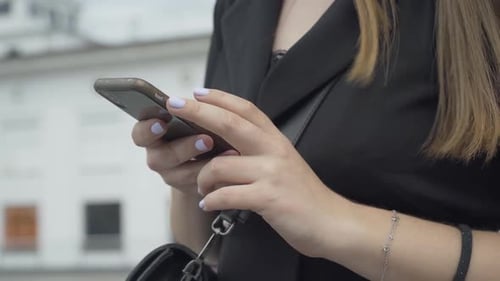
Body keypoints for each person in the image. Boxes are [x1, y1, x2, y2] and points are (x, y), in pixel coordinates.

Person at [131, 0, 500, 280]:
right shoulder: (237, 7)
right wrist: (190, 181)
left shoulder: (468, 14)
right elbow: (209, 248)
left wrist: (336, 222)